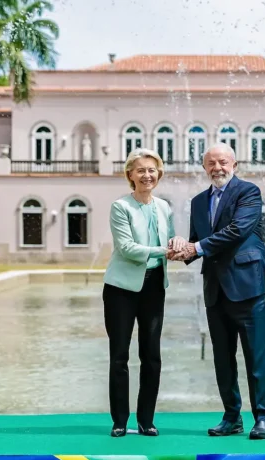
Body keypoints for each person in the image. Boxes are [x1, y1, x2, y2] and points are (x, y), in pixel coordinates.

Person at [169, 142, 265, 440]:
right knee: (222, 358)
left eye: (223, 162)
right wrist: (179, 251)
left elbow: (238, 230)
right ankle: (232, 417)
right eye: (211, 163)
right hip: (215, 289)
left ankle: (263, 417)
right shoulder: (197, 202)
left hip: (250, 286)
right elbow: (196, 241)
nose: (217, 168)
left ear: (234, 165)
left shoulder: (248, 192)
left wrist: (196, 248)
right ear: (204, 167)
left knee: (257, 356)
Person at [103, 148, 183, 438]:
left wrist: (178, 242)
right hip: (121, 289)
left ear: (158, 174)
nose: (147, 175)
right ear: (130, 175)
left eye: (152, 170)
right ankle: (120, 421)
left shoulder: (164, 207)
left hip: (154, 287)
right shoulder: (120, 207)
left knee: (151, 355)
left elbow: (170, 239)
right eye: (141, 170)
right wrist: (165, 250)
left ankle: (146, 420)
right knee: (119, 356)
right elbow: (127, 248)